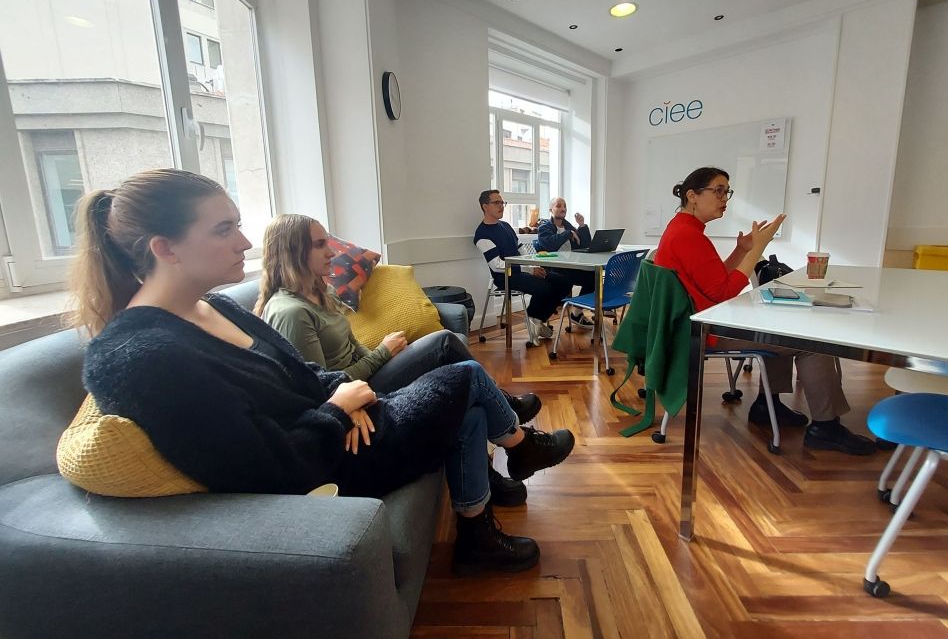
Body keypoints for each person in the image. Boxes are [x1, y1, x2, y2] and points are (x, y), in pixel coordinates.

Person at [68, 168, 576, 575]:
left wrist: (348, 389)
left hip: (339, 429)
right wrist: (337, 411)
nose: (244, 242)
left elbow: (303, 373)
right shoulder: (138, 355)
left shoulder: (218, 307)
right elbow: (264, 468)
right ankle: (519, 445)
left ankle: (477, 538)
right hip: (324, 466)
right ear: (165, 248)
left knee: (463, 411)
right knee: (462, 379)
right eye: (224, 229)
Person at [255, 213, 540, 507]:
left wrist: (384, 356)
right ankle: (510, 417)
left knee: (469, 399)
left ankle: (491, 473)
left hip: (364, 377)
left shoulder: (320, 291)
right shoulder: (290, 313)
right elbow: (323, 390)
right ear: (291, 252)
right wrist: (383, 353)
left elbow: (352, 346)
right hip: (358, 392)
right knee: (445, 343)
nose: (330, 252)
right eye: (319, 245)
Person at [653, 167, 876, 455]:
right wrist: (757, 250)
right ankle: (826, 427)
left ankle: (766, 405)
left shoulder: (683, 229)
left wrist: (742, 250)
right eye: (718, 191)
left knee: (777, 332)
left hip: (697, 322)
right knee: (814, 344)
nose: (725, 199)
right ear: (692, 196)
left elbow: (713, 279)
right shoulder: (687, 236)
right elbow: (724, 292)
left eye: (727, 192)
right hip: (701, 332)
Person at [473, 189, 570, 345]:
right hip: (505, 276)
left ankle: (536, 321)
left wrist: (533, 264)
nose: (501, 206)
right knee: (545, 288)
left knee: (564, 282)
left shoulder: (505, 226)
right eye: (496, 203)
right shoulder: (482, 234)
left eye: (502, 202)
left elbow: (521, 249)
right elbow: (497, 265)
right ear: (485, 206)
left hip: (522, 270)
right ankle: (534, 323)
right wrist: (529, 269)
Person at [534, 197, 595, 329]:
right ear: (551, 210)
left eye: (564, 206)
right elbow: (549, 244)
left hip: (570, 267)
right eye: (559, 206)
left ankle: (577, 313)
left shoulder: (569, 226)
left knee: (593, 276)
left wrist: (582, 226)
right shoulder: (544, 227)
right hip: (554, 268)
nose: (563, 208)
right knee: (572, 280)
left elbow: (585, 245)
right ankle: (541, 317)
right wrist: (568, 233)